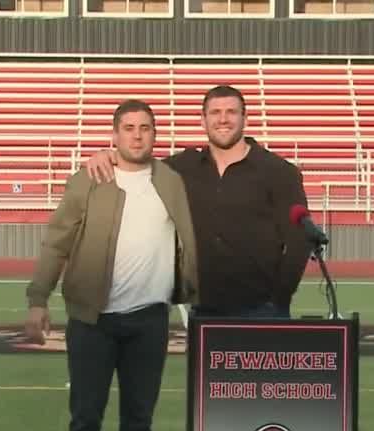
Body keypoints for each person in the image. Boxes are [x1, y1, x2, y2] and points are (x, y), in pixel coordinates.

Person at [26, 99, 199, 431]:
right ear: (114, 135)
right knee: (85, 419)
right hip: (92, 320)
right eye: (128, 128)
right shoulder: (89, 179)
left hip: (149, 321)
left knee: (138, 423)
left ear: (155, 135)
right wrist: (37, 298)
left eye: (145, 127)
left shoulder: (172, 182)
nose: (137, 135)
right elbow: (57, 241)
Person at [87, 85, 310, 318]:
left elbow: (299, 240)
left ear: (245, 118)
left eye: (231, 112)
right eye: (215, 112)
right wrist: (108, 155)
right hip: (203, 309)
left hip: (262, 310)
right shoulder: (183, 167)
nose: (223, 119)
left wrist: (280, 299)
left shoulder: (279, 172)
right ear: (202, 120)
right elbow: (138, 164)